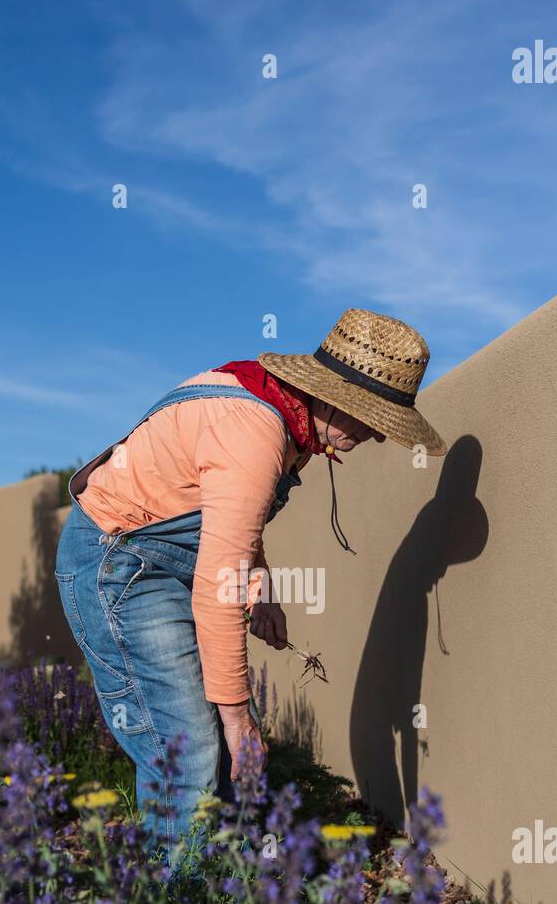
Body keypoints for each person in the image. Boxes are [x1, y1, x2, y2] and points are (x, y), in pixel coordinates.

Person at [55, 308, 445, 864]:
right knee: (188, 749)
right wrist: (239, 719)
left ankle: (217, 889)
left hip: (159, 563)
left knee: (214, 739)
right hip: (120, 566)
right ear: (329, 395)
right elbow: (218, 587)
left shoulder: (277, 411)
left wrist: (262, 591)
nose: (376, 433)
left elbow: (232, 524)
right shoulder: (255, 432)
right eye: (367, 415)